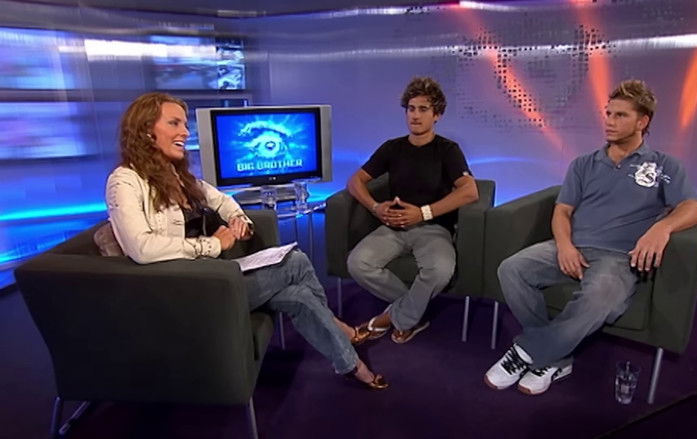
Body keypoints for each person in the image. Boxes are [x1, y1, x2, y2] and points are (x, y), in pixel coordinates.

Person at [106, 92, 387, 390]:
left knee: (300, 296)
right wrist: (213, 244)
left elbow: (222, 200)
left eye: (185, 124)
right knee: (296, 261)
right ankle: (340, 329)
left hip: (213, 278)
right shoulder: (124, 181)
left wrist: (239, 219)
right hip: (183, 293)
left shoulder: (177, 176)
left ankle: (351, 365)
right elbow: (142, 248)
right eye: (174, 123)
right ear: (146, 130)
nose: (185, 132)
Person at [484, 79, 697, 395]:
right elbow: (562, 212)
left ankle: (528, 353)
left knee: (602, 295)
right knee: (512, 268)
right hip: (573, 246)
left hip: (619, 258)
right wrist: (564, 246)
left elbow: (693, 208)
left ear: (642, 122)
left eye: (620, 115)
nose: (609, 121)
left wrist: (662, 227)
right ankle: (556, 358)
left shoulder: (663, 166)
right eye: (608, 113)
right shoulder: (584, 164)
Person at [346, 77, 479, 344]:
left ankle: (387, 319)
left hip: (433, 229)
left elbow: (470, 191)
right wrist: (375, 207)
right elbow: (355, 181)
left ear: (437, 115)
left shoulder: (448, 150)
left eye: (423, 109)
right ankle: (409, 312)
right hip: (393, 227)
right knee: (357, 263)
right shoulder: (392, 147)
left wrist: (423, 213)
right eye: (411, 109)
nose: (415, 115)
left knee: (440, 271)